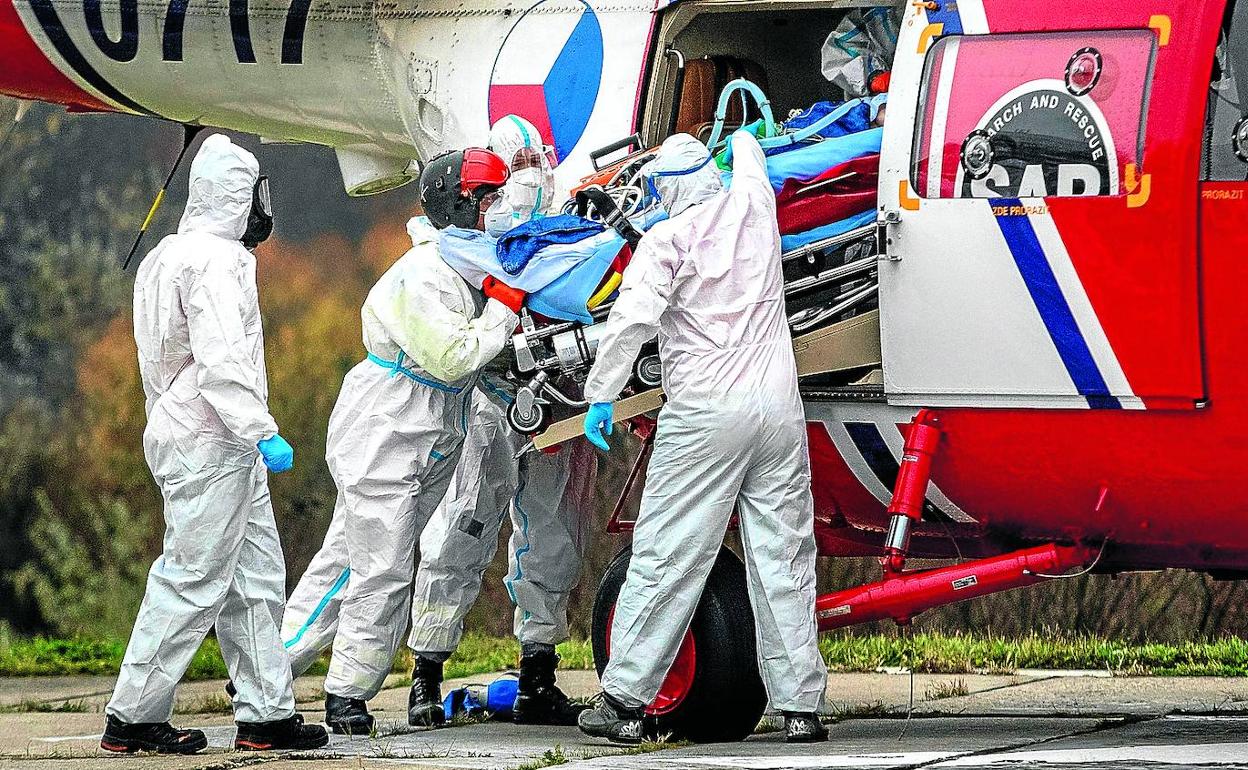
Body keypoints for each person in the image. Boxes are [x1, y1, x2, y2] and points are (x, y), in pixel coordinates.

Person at [576, 131, 829, 744]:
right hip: (777, 410)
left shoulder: (667, 240)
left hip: (706, 414)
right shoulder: (753, 207)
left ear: (669, 189)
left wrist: (601, 393)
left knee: (667, 553)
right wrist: (740, 132)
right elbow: (748, 150)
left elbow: (632, 316)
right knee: (785, 557)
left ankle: (626, 701)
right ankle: (801, 707)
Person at [280, 148, 526, 735]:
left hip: (421, 433)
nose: (496, 211)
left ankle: (267, 669)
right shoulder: (422, 275)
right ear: (459, 205)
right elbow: (451, 356)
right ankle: (347, 695)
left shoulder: (459, 268)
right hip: (388, 432)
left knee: (345, 563)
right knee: (384, 570)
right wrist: (505, 311)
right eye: (487, 200)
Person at [103, 134, 328, 754]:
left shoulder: (166, 256)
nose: (262, 208)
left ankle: (267, 713)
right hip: (214, 438)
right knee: (193, 576)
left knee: (256, 578)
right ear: (237, 198)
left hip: (204, 438)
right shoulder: (218, 263)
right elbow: (222, 361)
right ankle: (132, 714)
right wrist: (263, 430)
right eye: (256, 195)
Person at [405, 116, 593, 728]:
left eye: (534, 163)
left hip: (561, 394)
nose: (525, 178)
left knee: (556, 533)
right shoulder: (457, 246)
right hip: (495, 399)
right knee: (463, 527)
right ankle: (426, 674)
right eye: (513, 172)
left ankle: (538, 671)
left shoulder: (562, 221)